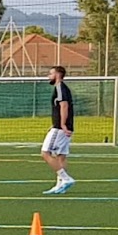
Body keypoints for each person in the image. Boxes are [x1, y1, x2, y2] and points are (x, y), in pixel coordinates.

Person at [42, 66, 76, 194]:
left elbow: (64, 105)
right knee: (60, 156)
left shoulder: (60, 87)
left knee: (45, 153)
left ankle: (66, 178)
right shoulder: (62, 88)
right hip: (62, 127)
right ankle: (60, 185)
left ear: (57, 74)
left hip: (61, 128)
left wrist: (62, 124)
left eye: (50, 73)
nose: (48, 76)